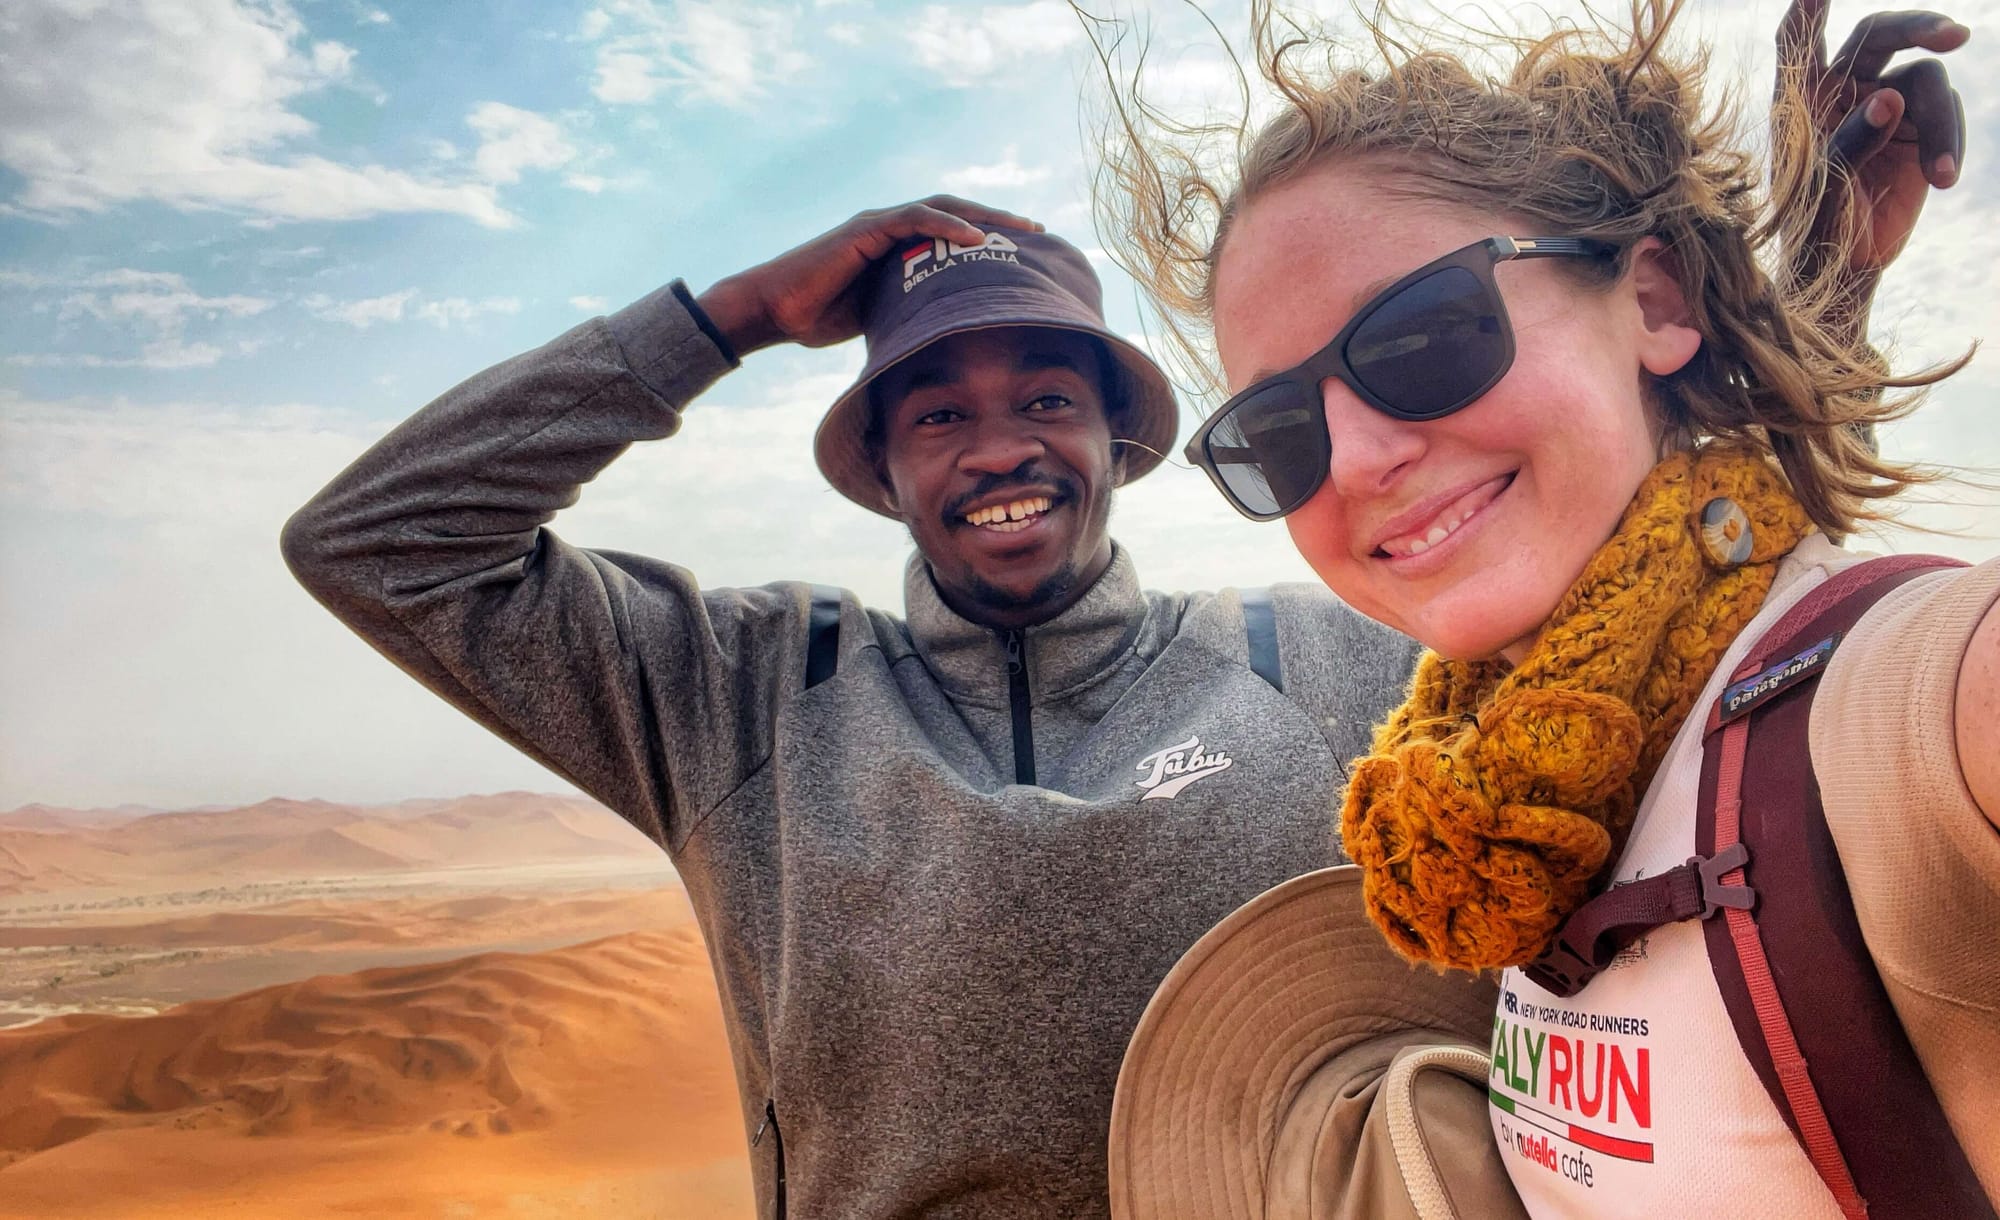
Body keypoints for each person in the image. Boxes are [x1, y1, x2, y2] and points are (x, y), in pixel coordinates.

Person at [283, 7, 1932, 1217]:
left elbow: (1644, 566)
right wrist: (723, 318)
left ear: (1122, 441)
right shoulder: (738, 696)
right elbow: (378, 542)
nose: (998, 443)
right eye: (936, 411)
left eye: (1045, 397)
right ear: (879, 467)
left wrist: (1800, 279)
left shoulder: (1346, 664)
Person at [1093, 1, 1990, 1218]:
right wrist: (1820, 294)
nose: (1352, 458)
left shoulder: (1916, 698)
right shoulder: (1505, 795)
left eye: (1420, 335)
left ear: (1658, 301)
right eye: (1276, 430)